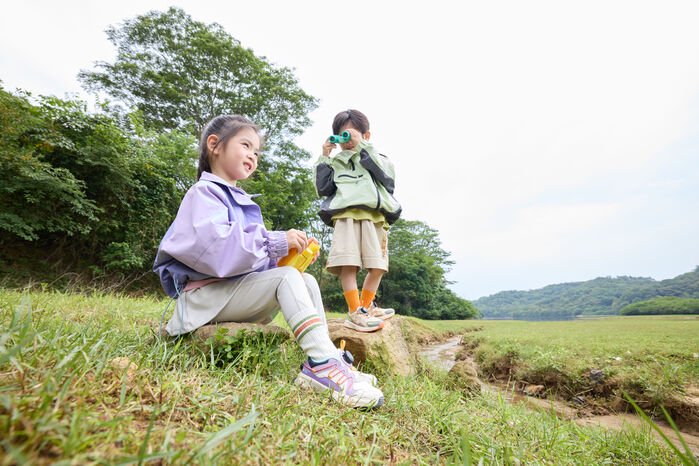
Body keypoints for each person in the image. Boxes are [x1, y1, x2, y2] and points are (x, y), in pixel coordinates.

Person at [153, 115, 383, 408]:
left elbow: (246, 263)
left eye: (257, 152)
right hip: (202, 299)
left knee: (302, 278)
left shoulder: (239, 198)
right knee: (287, 278)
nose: (252, 155)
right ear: (215, 145)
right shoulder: (203, 193)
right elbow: (217, 250)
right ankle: (322, 365)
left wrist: (286, 258)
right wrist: (275, 242)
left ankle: (329, 359)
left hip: (226, 295)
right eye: (245, 145)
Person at [315, 109, 402, 332]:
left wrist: (362, 145)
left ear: (366, 135)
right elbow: (323, 188)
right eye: (342, 135)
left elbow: (388, 180)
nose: (347, 140)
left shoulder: (376, 158)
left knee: (378, 266)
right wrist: (325, 156)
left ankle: (366, 307)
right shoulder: (336, 163)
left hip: (375, 216)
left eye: (351, 134)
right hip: (346, 216)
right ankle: (355, 312)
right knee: (348, 263)